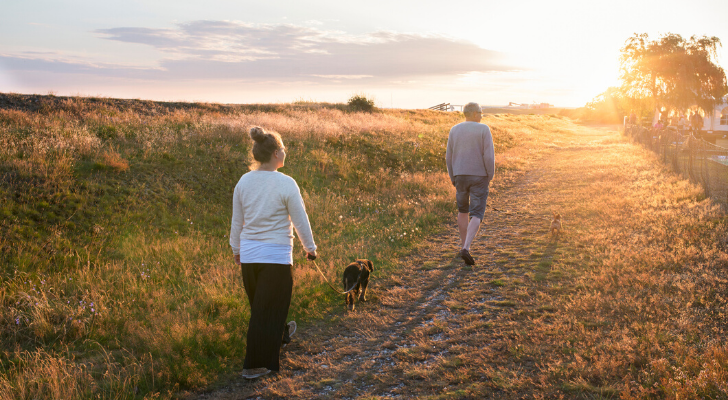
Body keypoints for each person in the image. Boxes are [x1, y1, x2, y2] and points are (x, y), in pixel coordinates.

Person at [229, 126, 318, 379]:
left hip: (249, 257)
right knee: (265, 310)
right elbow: (300, 220)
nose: (285, 152)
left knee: (263, 307)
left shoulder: (244, 181)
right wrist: (310, 249)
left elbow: (237, 221)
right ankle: (254, 365)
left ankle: (281, 335)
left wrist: (237, 249)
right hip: (276, 257)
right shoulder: (286, 183)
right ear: (277, 154)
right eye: (284, 149)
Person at [445, 102, 495, 266]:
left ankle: (463, 245)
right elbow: (488, 156)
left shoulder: (454, 129)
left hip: (460, 175)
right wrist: (490, 174)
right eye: (480, 112)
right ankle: (466, 247)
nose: (481, 115)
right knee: (477, 213)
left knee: (462, 210)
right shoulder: (483, 129)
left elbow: (448, 156)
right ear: (474, 113)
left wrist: (453, 176)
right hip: (479, 175)